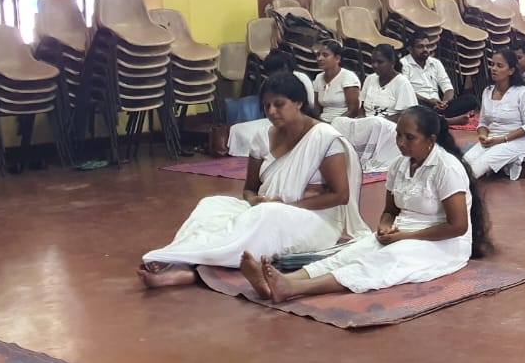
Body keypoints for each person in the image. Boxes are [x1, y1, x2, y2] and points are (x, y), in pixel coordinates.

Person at [138, 73, 372, 288]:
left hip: (315, 221)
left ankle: (185, 264)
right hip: (268, 208)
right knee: (212, 204)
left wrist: (285, 207)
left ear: (299, 103)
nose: (271, 111)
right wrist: (256, 200)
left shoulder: (324, 138)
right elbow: (249, 190)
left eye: (279, 104)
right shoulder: (262, 137)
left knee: (267, 215)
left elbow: (340, 195)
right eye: (266, 106)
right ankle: (182, 256)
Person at [239, 105, 492, 302]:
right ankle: (279, 280)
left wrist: (405, 237)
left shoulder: (447, 168)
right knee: (352, 252)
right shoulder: (398, 165)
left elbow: (458, 226)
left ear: (431, 140)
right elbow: (390, 211)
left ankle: (294, 288)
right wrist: (385, 226)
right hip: (402, 233)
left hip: (443, 244)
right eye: (398, 135)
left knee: (380, 261)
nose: (401, 143)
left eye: (409, 138)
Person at [329, 45, 418, 173]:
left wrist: (378, 121)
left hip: (391, 127)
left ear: (392, 62)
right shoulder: (370, 79)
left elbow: (406, 115)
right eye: (373, 62)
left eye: (380, 62)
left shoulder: (401, 82)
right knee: (337, 121)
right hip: (371, 123)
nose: (375, 65)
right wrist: (360, 121)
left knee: (376, 122)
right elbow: (362, 109)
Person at [462, 49, 525, 180]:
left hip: (515, 142)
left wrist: (502, 140)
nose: (494, 69)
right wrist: (483, 135)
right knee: (463, 163)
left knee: (477, 167)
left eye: (500, 66)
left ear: (511, 71)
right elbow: (483, 122)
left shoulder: (523, 93)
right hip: (491, 140)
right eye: (492, 64)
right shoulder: (487, 91)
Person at [227, 51, 316, 157]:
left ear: (285, 67)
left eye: (279, 104)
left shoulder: (301, 79)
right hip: (274, 122)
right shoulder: (269, 83)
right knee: (238, 130)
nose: (271, 111)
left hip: (296, 120)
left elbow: (309, 105)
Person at [401, 35, 477, 126]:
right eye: (420, 46)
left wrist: (444, 103)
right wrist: (428, 101)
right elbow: (406, 91)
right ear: (410, 49)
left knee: (471, 100)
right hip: (419, 103)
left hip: (437, 106)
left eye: (427, 46)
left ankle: (437, 118)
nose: (425, 49)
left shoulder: (435, 63)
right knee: (414, 109)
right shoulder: (403, 64)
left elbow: (448, 88)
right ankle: (446, 120)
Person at [311, 40, 361, 123]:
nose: (319, 58)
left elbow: (353, 111)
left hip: (344, 123)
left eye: (325, 55)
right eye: (318, 55)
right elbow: (317, 108)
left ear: (337, 58)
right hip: (323, 122)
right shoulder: (318, 78)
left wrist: (333, 125)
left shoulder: (348, 77)